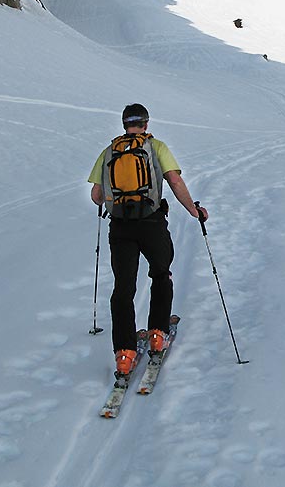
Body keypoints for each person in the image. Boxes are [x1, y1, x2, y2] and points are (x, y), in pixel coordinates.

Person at [88, 103, 208, 378]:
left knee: (123, 288)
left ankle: (125, 353)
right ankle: (157, 334)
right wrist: (195, 211)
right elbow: (175, 182)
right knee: (161, 274)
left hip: (120, 228)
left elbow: (96, 195)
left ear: (123, 124)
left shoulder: (109, 152)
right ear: (145, 123)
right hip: (151, 224)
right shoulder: (156, 147)